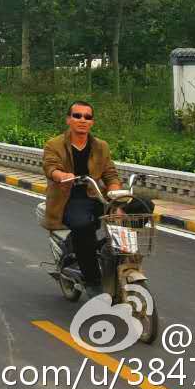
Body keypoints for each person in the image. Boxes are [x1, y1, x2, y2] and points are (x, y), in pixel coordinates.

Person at [41, 100, 122, 296]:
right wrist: (61, 176)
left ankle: (120, 259)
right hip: (68, 199)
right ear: (69, 119)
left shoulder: (101, 146)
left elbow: (110, 174)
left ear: (92, 122)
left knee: (141, 207)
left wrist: (116, 195)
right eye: (77, 116)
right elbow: (50, 167)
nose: (82, 120)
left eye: (87, 117)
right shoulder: (55, 144)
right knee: (83, 226)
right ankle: (92, 281)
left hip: (96, 197)